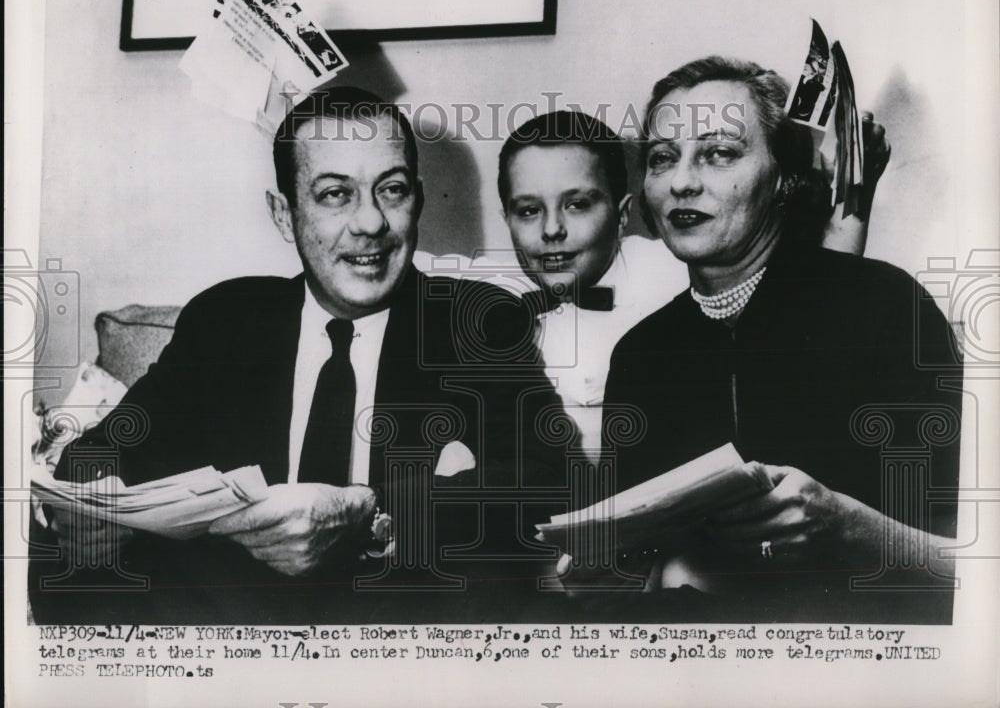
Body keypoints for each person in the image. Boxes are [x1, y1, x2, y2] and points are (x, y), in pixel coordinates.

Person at [33, 87, 563, 624]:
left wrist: (368, 508)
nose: (370, 223)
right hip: (228, 637)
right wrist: (91, 514)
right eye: (335, 194)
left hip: (391, 642)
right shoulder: (226, 319)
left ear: (418, 201)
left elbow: (547, 477)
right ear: (284, 215)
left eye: (392, 190)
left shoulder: (477, 319)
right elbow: (104, 454)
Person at [600, 56, 961, 622]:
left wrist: (845, 523)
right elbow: (632, 552)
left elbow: (974, 564)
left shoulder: (886, 307)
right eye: (662, 158)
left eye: (719, 153)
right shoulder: (641, 355)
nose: (681, 181)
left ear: (785, 178)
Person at [450, 109, 886, 464]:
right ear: (505, 217)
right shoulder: (477, 293)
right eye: (527, 211)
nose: (551, 230)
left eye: (577, 204)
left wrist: (853, 197)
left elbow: (808, 300)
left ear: (622, 215)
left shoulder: (679, 268)